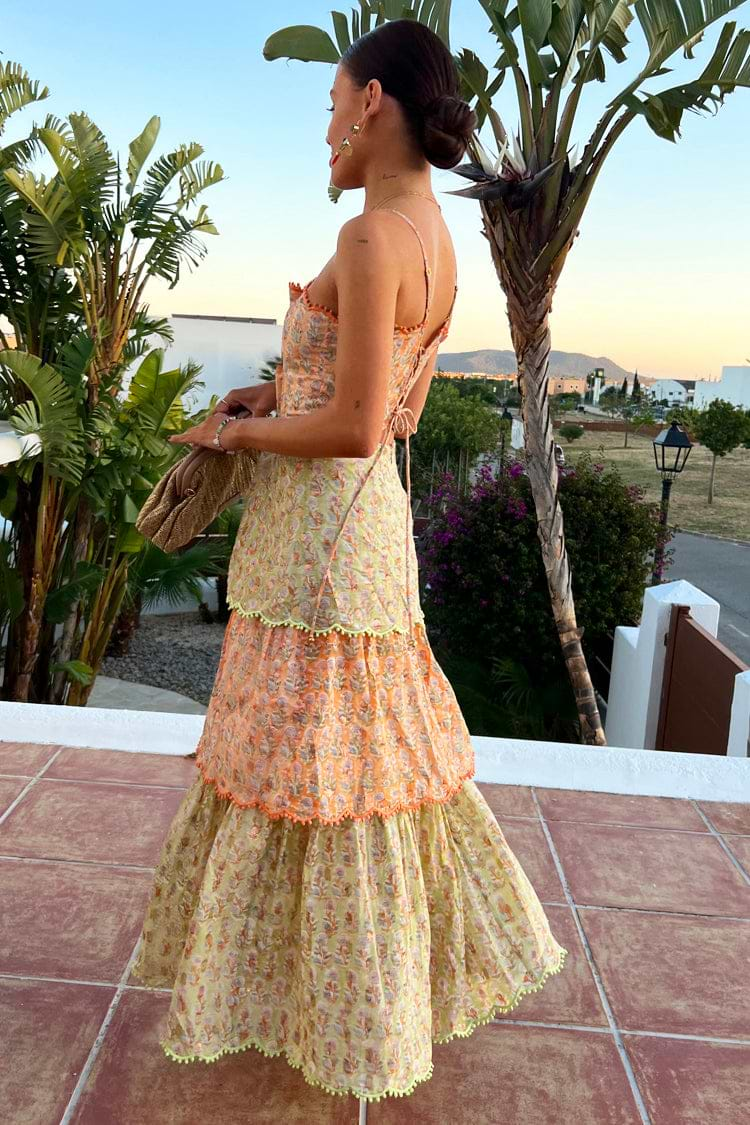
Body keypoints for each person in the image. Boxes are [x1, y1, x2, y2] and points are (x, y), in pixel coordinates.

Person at [131, 18, 568, 1106]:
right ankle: (337, 998)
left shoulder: (377, 238)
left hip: (325, 537)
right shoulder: (423, 230)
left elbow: (360, 424)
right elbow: (371, 403)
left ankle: (342, 1016)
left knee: (309, 782)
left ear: (373, 102)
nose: (327, 125)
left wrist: (232, 437)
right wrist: (266, 396)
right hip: (358, 538)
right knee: (356, 782)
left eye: (332, 102)